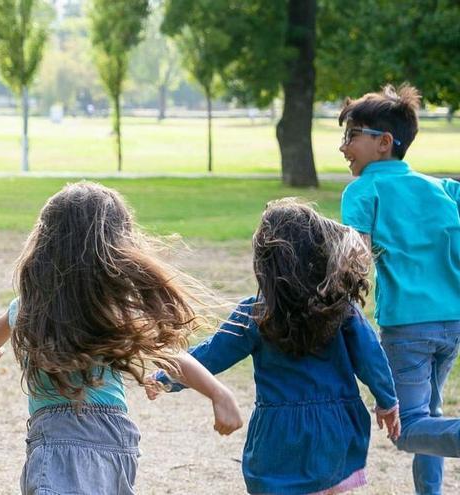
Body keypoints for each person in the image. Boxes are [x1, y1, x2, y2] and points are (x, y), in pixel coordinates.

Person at [0, 181, 243, 495]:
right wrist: (219, 393)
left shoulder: (27, 308)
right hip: (115, 440)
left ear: (45, 245)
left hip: (56, 442)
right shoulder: (113, 309)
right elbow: (172, 354)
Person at [149, 198, 400, 494]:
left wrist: (165, 378)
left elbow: (211, 354)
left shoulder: (256, 312)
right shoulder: (340, 308)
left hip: (280, 437)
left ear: (265, 262)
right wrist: (388, 401)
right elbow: (373, 358)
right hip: (337, 429)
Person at [339, 83, 460, 495]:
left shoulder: (362, 190)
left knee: (407, 428)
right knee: (431, 414)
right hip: (453, 322)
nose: (343, 147)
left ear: (384, 142)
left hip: (408, 326)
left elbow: (354, 262)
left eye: (351, 135)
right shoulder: (445, 189)